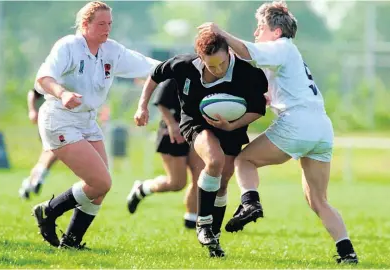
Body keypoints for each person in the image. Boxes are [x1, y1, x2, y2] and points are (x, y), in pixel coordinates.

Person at [198, 1, 358, 264]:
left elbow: (249, 53)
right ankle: (347, 252)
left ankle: (250, 202)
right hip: (321, 127)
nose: (256, 33)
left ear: (276, 32)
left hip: (298, 123)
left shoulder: (280, 47)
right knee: (318, 200)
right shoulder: (288, 54)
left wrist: (221, 33)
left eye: (260, 27)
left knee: (243, 160)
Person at [31, 1, 160, 249]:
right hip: (59, 118)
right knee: (101, 182)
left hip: (87, 120)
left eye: (109, 24)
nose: (107, 29)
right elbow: (43, 78)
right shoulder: (68, 46)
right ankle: (49, 210)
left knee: (99, 188)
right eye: (101, 24)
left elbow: (148, 66)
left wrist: (188, 65)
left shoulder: (111, 50)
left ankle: (71, 241)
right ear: (85, 24)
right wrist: (62, 93)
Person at [134, 31, 268, 257]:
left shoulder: (248, 73)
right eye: (211, 66)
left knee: (223, 182)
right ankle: (203, 224)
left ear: (229, 53)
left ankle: (214, 239)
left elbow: (257, 110)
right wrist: (142, 106)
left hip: (232, 128)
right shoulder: (184, 65)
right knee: (213, 161)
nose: (217, 70)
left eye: (222, 64)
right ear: (200, 57)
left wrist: (232, 126)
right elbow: (155, 75)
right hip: (195, 123)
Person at [127, 79, 204, 229]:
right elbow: (161, 102)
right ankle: (142, 189)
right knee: (177, 183)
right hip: (173, 133)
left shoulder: (215, 73)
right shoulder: (180, 69)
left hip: (197, 131)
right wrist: (172, 124)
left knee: (200, 177)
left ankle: (191, 220)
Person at [19, 88, 58, 199]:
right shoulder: (55, 75)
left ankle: (28, 184)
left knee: (44, 157)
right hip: (49, 122)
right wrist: (32, 110)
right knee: (55, 150)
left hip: (62, 122)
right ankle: (39, 177)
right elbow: (33, 92)